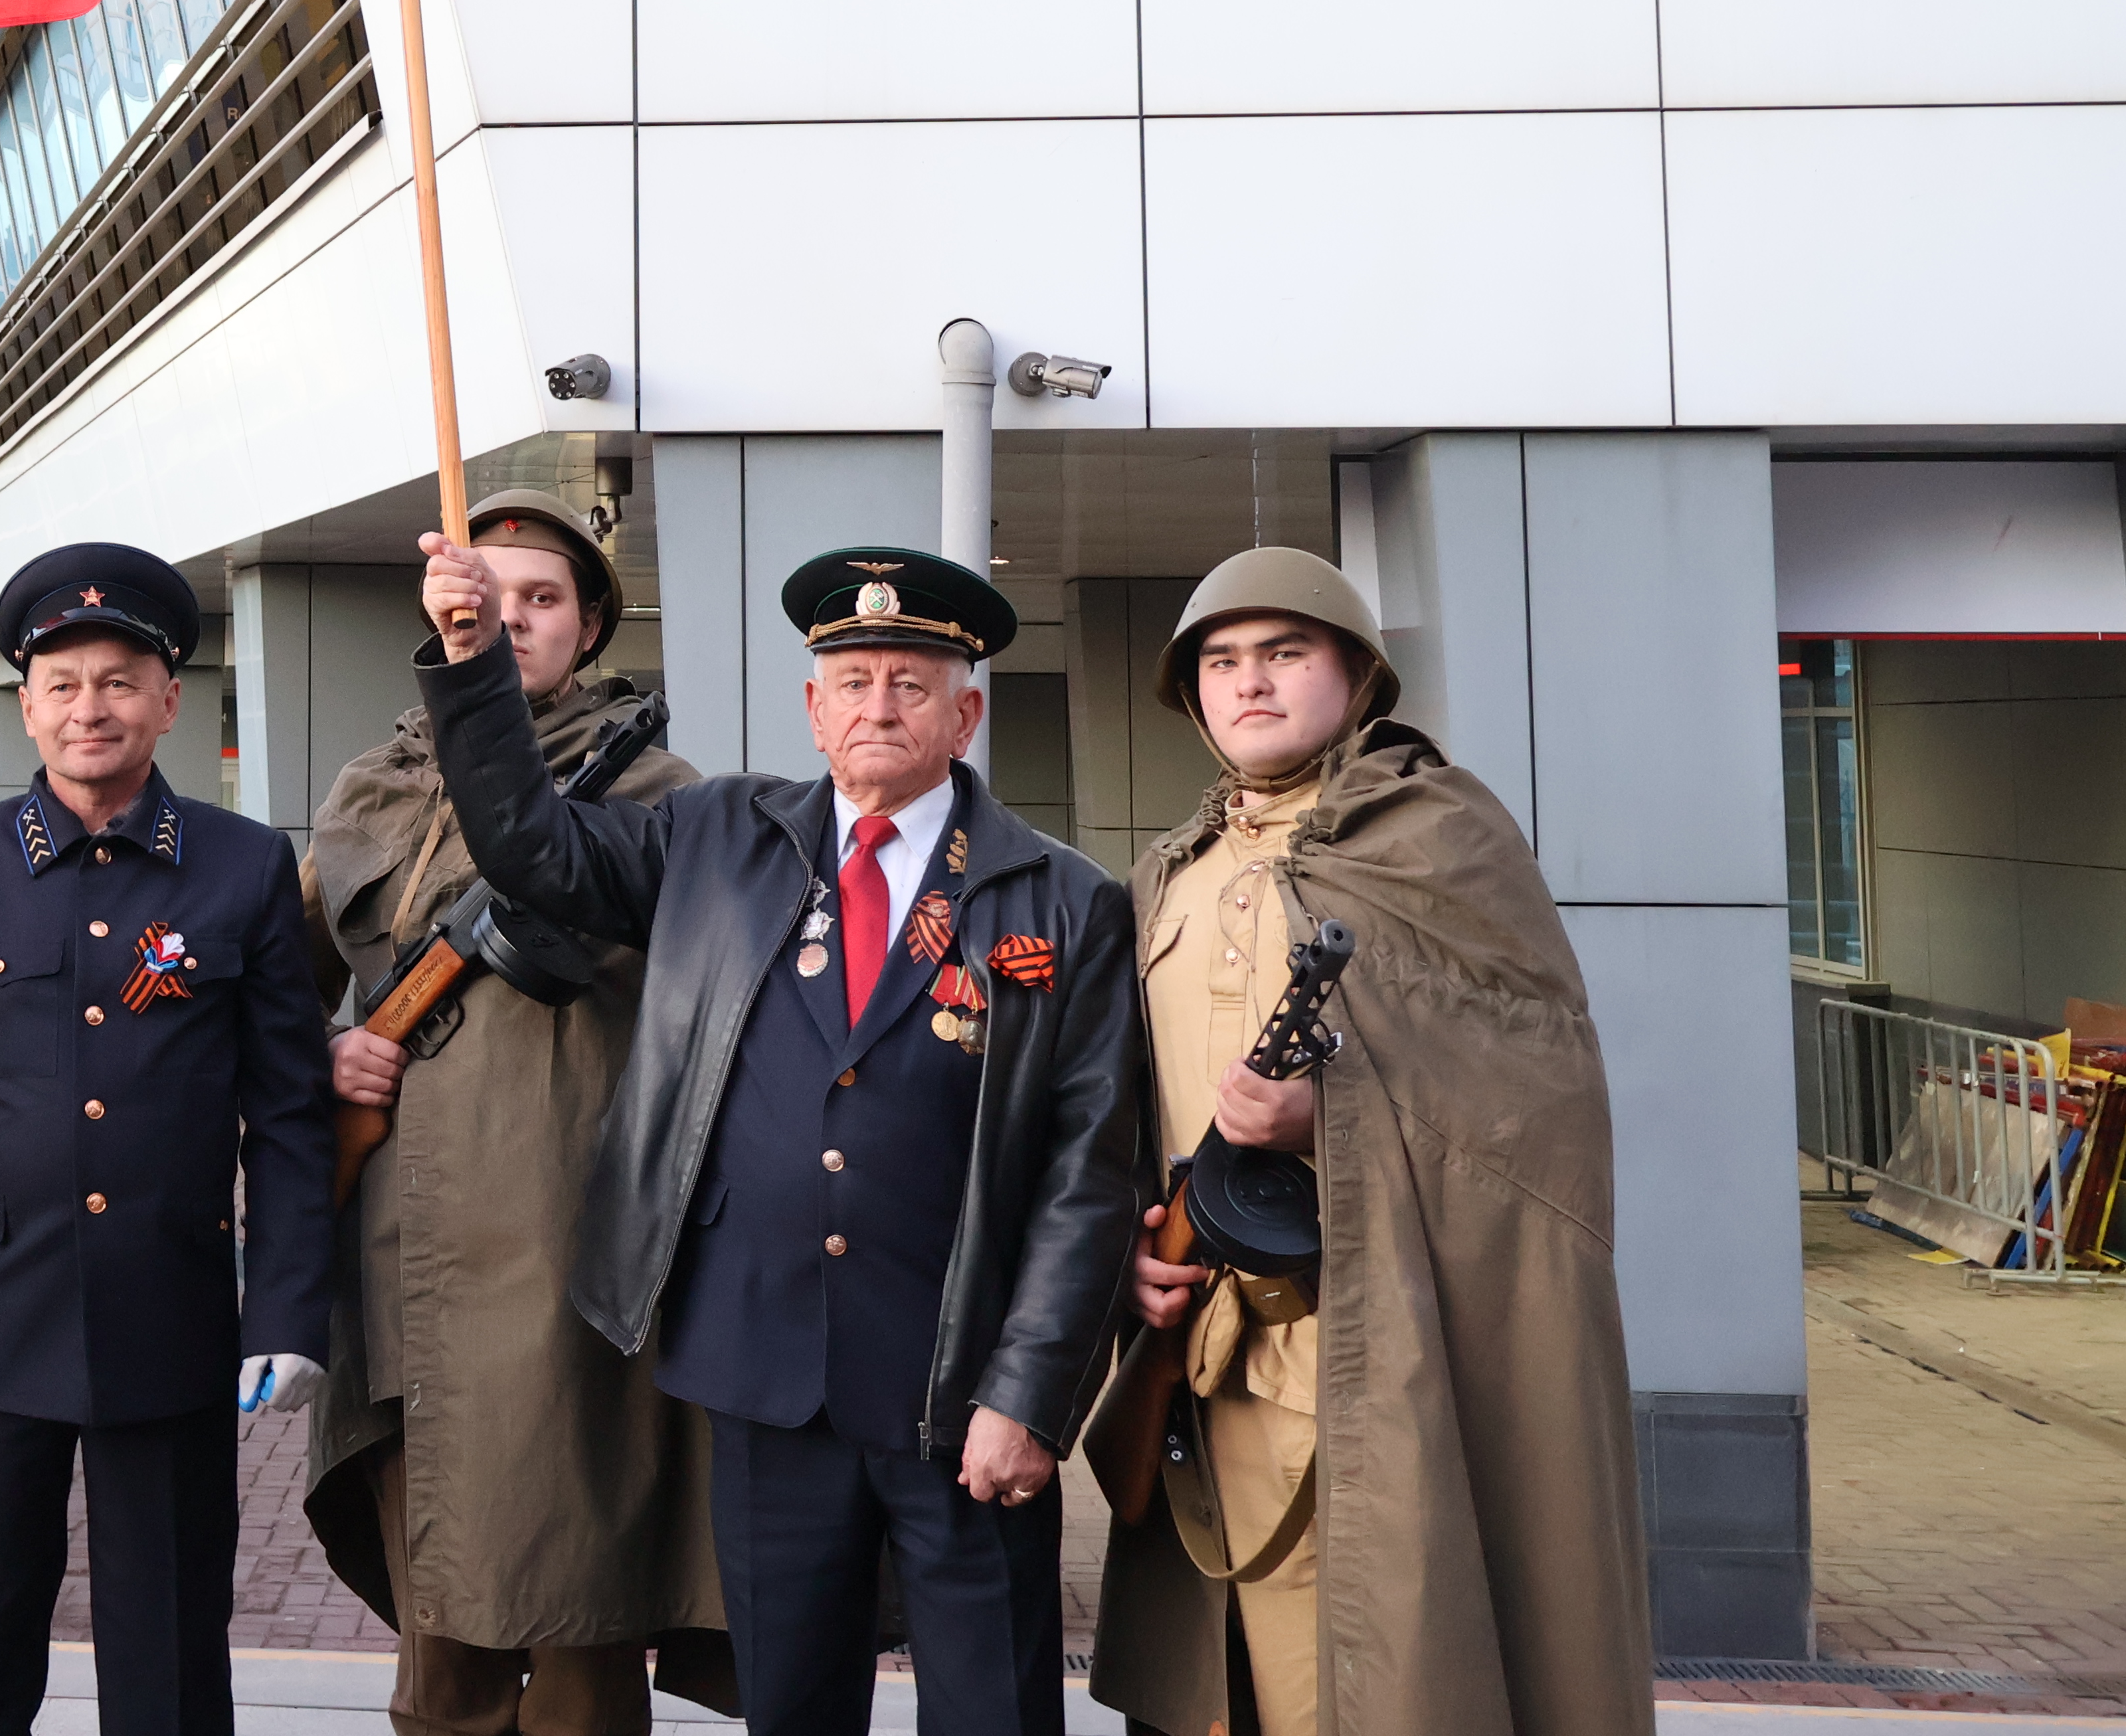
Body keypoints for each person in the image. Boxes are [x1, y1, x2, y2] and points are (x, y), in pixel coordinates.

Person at [413, 536, 1139, 1736]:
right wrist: (477, 661)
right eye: (853, 682)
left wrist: (1032, 1395)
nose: (880, 706)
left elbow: (1089, 1174)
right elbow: (530, 847)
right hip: (765, 1377)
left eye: (911, 682)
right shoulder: (715, 839)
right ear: (813, 709)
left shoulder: (1062, 900)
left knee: (994, 1709)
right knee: (793, 1708)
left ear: (967, 711)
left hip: (958, 1395)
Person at [1085, 549, 1651, 1736]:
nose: (1251, 684)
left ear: (1358, 676)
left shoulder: (1441, 838)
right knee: (1216, 1689)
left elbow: (1538, 1098)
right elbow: (1124, 1099)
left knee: (1376, 1670)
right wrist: (1122, 1251)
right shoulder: (1169, 871)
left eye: (1286, 654)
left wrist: (1325, 1117)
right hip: (1198, 1350)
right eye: (1223, 664)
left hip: (1378, 1342)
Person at [0, 543, 333, 1736]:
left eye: (118, 681)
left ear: (171, 699)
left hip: (167, 1319)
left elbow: (289, 1114)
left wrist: (284, 1309)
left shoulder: (245, 866)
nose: (89, 708)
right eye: (61, 683)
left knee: (168, 1662)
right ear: (26, 704)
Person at [304, 487, 729, 1736]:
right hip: (401, 1245)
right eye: (485, 597)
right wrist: (329, 1054)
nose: (512, 617)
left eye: (541, 599)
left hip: (570, 1251)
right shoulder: (372, 785)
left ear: (590, 628)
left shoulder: (658, 790)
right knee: (441, 1644)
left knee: (581, 1624)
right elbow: (280, 983)